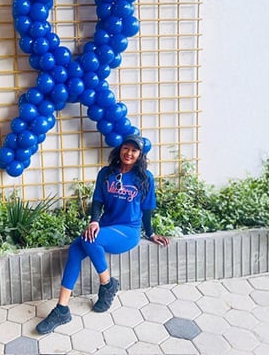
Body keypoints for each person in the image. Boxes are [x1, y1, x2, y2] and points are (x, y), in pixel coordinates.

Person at [36, 134, 170, 334]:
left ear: (140, 155)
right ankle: (62, 309)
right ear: (120, 149)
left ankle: (107, 284)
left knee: (88, 239)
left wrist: (150, 233)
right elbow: (98, 201)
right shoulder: (106, 173)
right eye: (126, 148)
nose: (129, 153)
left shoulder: (145, 178)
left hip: (128, 231)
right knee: (75, 249)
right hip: (106, 225)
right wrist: (94, 221)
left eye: (134, 150)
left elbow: (147, 209)